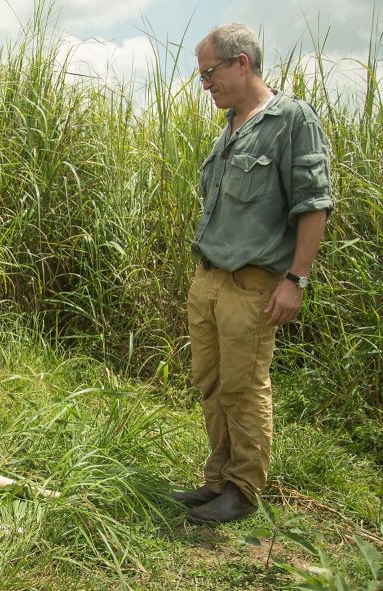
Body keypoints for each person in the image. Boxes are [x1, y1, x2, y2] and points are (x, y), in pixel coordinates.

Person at [173, 23, 334, 523]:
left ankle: (242, 492)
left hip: (253, 284)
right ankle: (216, 480)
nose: (205, 86)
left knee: (244, 386)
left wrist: (296, 280)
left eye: (209, 73)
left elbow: (313, 205)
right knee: (212, 383)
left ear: (241, 62)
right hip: (210, 280)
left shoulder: (291, 120)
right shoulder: (231, 126)